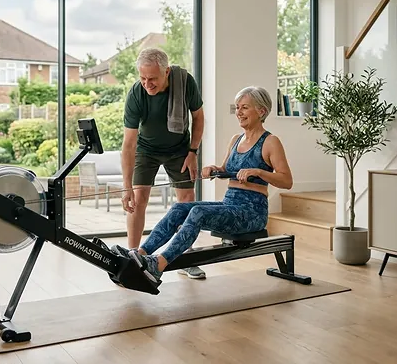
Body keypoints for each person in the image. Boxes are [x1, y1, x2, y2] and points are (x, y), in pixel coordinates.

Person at [114, 85, 293, 287]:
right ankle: (139, 254)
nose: (239, 113)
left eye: (244, 107)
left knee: (198, 211)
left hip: (252, 211)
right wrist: (214, 169)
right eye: (237, 108)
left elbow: (287, 181)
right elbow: (226, 169)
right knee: (179, 208)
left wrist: (258, 172)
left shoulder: (270, 142)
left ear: (261, 111)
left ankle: (158, 266)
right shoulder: (236, 139)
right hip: (230, 204)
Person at [119, 47, 206, 279]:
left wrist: (193, 151)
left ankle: (184, 256)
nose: (147, 83)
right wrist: (126, 186)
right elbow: (128, 144)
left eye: (153, 78)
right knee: (137, 199)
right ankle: (132, 257)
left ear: (167, 72)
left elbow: (198, 117)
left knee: (187, 201)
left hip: (180, 149)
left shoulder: (185, 83)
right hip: (146, 149)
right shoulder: (136, 93)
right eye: (142, 78)